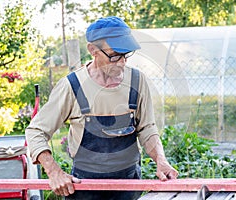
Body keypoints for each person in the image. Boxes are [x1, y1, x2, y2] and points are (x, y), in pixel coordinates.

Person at [25, 16, 178, 200]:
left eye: (126, 54)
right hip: (84, 187)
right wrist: (54, 171)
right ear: (93, 50)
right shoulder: (73, 86)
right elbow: (36, 131)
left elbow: (147, 128)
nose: (122, 63)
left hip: (128, 185)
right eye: (114, 55)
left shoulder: (137, 81)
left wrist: (161, 161)